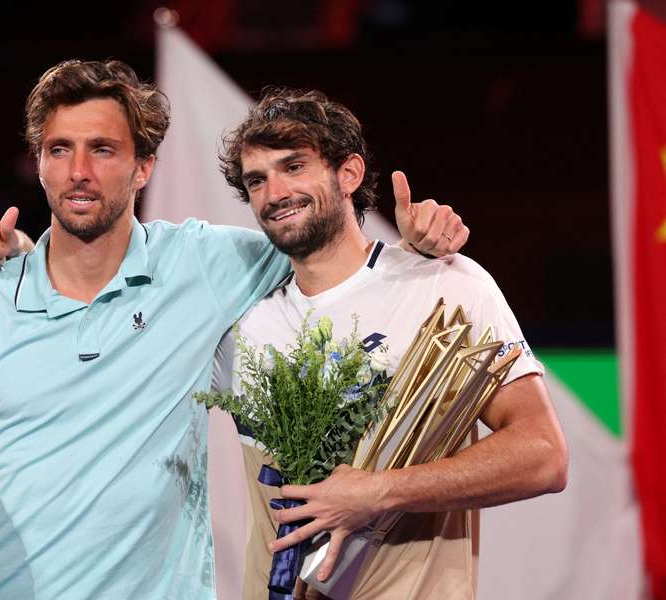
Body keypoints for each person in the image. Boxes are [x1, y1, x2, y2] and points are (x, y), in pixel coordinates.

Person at [0, 61, 467, 600]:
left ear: (143, 166)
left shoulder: (204, 266)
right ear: (38, 163)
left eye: (103, 149)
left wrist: (413, 247)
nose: (78, 172)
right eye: (59, 150)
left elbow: (325, 243)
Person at [212, 88, 568, 599]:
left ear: (349, 174)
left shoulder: (445, 287)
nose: (275, 192)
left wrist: (379, 492)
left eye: (294, 167)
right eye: (257, 180)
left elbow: (543, 455)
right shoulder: (240, 324)